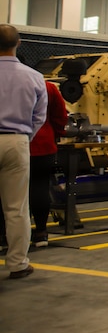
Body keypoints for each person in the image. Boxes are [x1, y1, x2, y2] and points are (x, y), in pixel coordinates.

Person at [0, 24, 48, 279]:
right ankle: (18, 263)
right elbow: (39, 117)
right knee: (16, 206)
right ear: (18, 43)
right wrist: (24, 136)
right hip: (16, 141)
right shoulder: (34, 76)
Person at [28, 79, 68, 248]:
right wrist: (56, 133)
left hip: (9, 141)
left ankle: (5, 235)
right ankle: (41, 232)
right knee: (39, 186)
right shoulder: (46, 85)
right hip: (42, 143)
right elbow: (60, 115)